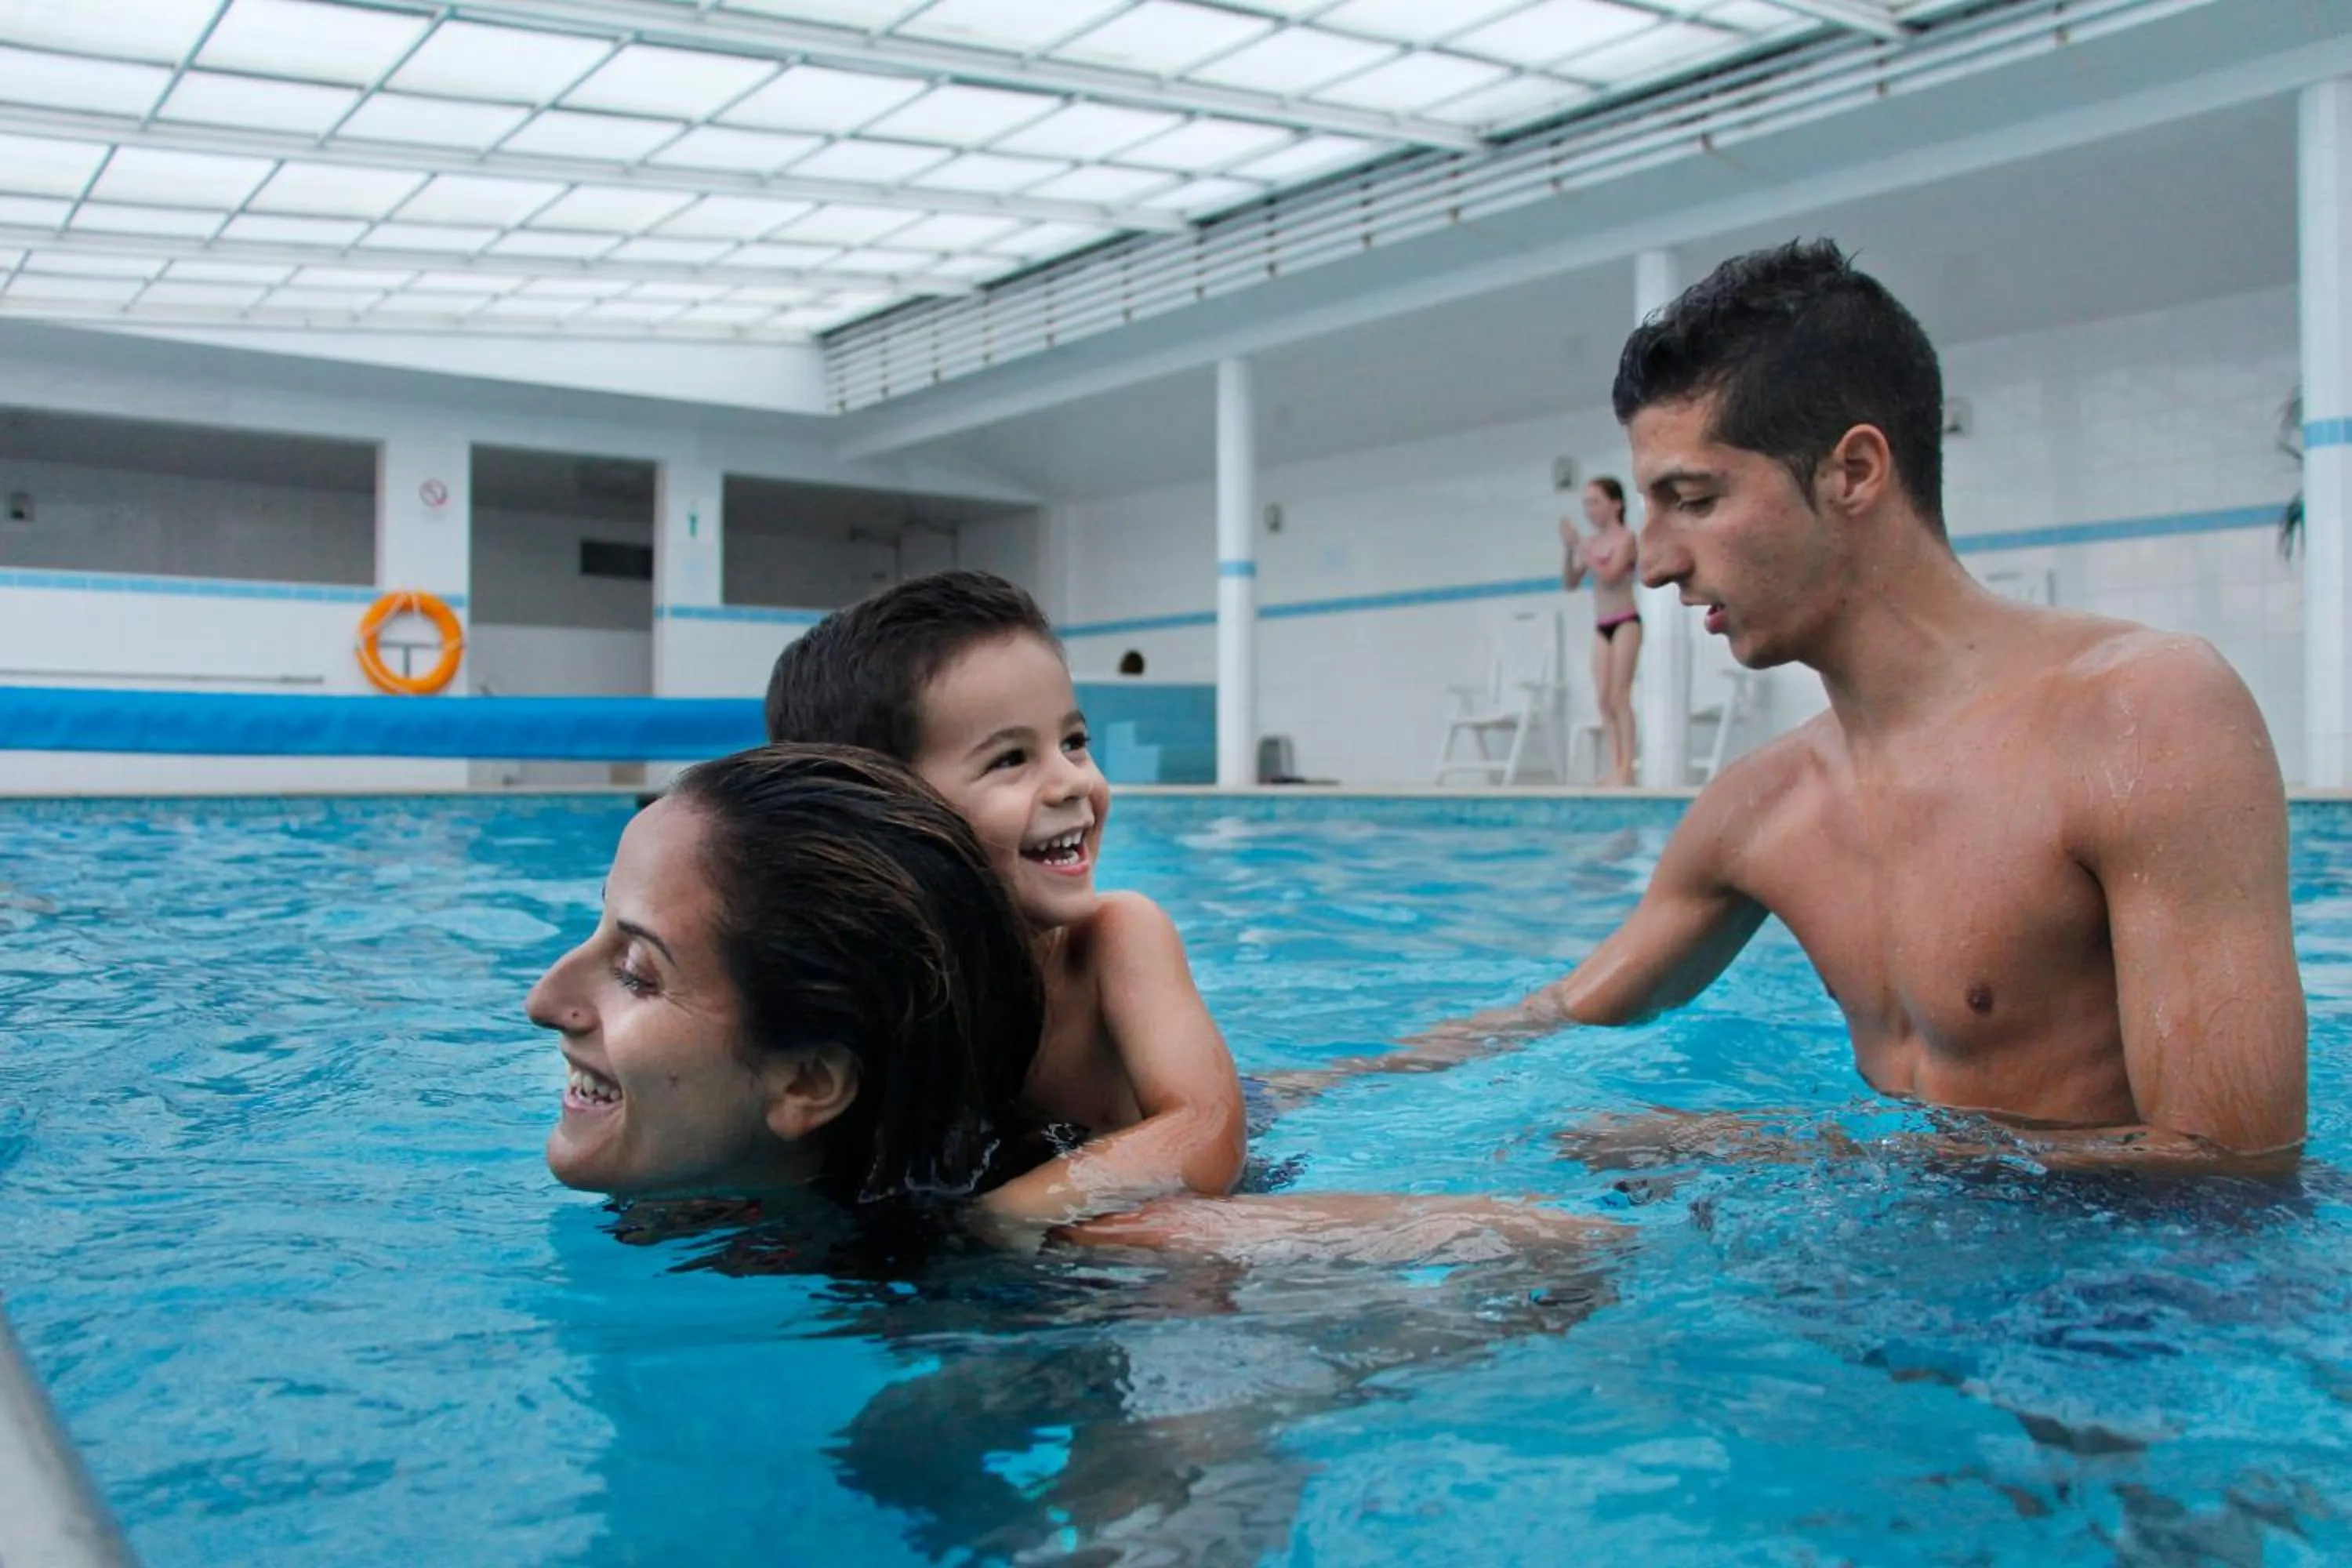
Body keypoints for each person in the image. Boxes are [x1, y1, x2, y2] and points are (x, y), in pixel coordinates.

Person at [1352, 241, 2309, 1168]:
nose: (1654, 562)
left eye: (1692, 499)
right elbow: (1561, 1009)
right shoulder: (1761, 806)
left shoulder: (2143, 717)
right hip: (1890, 1293)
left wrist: (1790, 1158)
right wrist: (1317, 1087)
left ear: (1853, 472)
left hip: (2125, 1314)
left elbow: (2231, 1169)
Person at [528, 742, 1615, 1262]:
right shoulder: (682, 1187)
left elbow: (1563, 1244)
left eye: (636, 969)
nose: (542, 1000)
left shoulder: (1065, 1238)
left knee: (1331, 1091)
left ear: (810, 1082)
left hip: (1216, 1157)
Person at [764, 572, 1250, 1229]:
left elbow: (1208, 1133)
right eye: (1011, 759)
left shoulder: (1114, 939)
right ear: (882, 813)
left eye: (1074, 742)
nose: (1071, 782)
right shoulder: (869, 989)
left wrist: (1000, 1221)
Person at [1561, 476, 1644, 786]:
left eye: (1595, 501)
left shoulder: (1627, 539)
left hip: (1626, 622)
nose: (1589, 509)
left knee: (1620, 696)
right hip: (1601, 625)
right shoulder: (1592, 544)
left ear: (1616, 504)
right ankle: (1615, 765)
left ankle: (1627, 767)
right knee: (1603, 699)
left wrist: (1581, 545)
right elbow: (1570, 582)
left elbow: (1609, 575)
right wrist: (1570, 551)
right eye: (1586, 503)